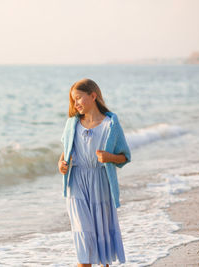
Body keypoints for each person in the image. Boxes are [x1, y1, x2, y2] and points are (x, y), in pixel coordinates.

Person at [58, 78, 131, 267]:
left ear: (93, 96)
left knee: (101, 240)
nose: (75, 104)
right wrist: (61, 164)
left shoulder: (110, 125)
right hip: (76, 184)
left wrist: (109, 157)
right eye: (73, 100)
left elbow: (125, 156)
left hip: (101, 184)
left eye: (78, 98)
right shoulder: (72, 124)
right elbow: (65, 152)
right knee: (84, 239)